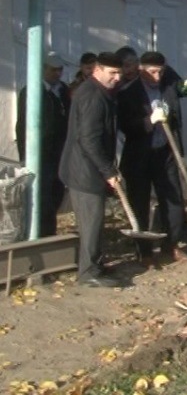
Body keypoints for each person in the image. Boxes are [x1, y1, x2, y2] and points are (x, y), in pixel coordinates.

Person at [117, 51, 187, 267]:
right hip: (139, 155)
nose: (157, 76)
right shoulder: (129, 91)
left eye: (161, 71)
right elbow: (125, 125)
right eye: (152, 72)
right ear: (141, 69)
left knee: (173, 201)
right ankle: (144, 252)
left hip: (166, 152)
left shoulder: (168, 85)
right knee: (140, 203)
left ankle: (172, 245)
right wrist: (148, 121)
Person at [58, 52, 122, 288]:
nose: (117, 78)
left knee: (93, 222)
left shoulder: (98, 92)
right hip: (84, 171)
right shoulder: (93, 96)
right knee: (91, 222)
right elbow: (89, 140)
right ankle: (88, 273)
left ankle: (94, 264)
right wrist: (108, 171)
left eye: (119, 74)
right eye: (112, 73)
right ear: (97, 70)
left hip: (87, 168)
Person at [15, 52, 71, 238]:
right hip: (41, 153)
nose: (57, 73)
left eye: (60, 69)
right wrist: (25, 155)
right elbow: (22, 125)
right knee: (42, 198)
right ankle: (42, 235)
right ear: (43, 69)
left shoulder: (62, 90)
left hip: (60, 153)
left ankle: (49, 232)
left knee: (56, 194)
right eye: (53, 69)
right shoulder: (32, 91)